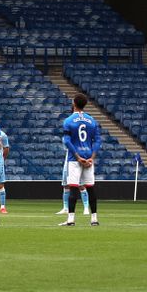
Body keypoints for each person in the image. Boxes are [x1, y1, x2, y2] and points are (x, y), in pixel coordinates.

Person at [60, 94, 100, 226]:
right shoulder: (92, 120)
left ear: (74, 103)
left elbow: (67, 141)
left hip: (74, 159)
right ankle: (94, 219)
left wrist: (77, 156)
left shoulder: (68, 120)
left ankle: (71, 219)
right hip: (88, 157)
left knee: (73, 188)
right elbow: (97, 140)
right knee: (90, 188)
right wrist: (91, 158)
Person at [56, 138, 90, 216]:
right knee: (66, 185)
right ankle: (65, 208)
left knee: (81, 185)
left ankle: (86, 208)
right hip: (68, 163)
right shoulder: (68, 137)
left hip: (78, 163)